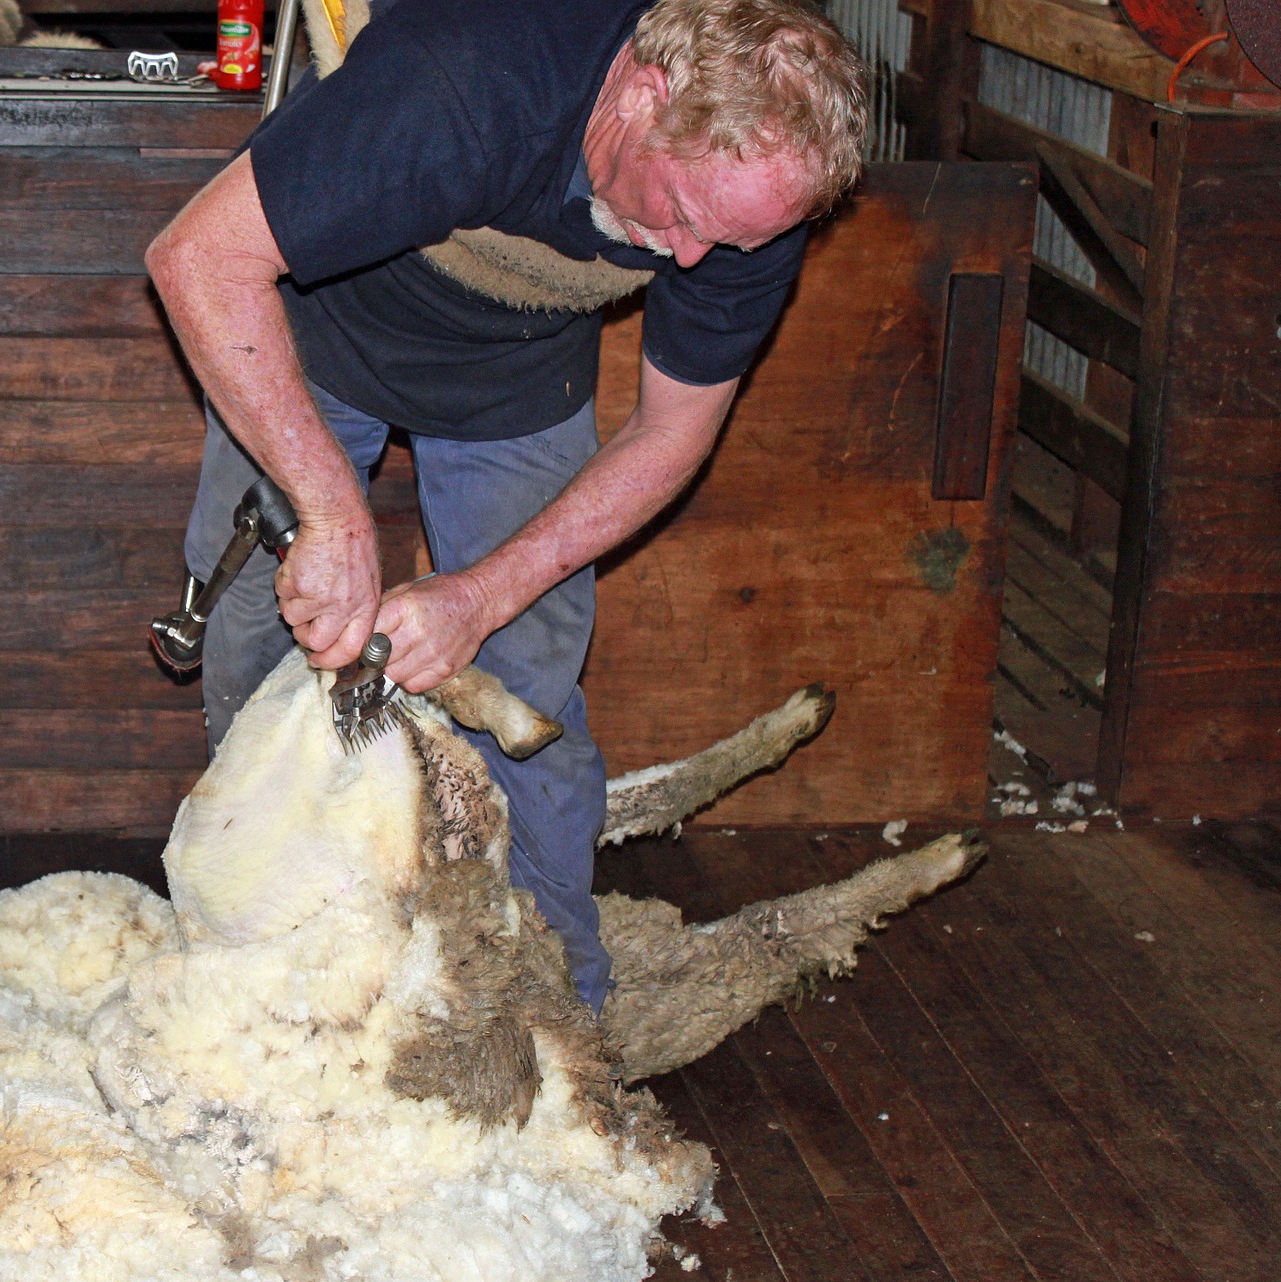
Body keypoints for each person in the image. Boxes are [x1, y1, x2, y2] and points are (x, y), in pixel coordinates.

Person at [145, 0, 869, 1012]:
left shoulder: (746, 203)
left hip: (525, 355)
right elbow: (198, 258)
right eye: (688, 218)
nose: (696, 263)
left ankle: (555, 1013)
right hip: (314, 320)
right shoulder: (467, 77)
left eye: (732, 241)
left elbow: (672, 433)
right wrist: (332, 514)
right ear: (642, 94)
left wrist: (482, 597)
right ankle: (262, 969)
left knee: (527, 682)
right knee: (253, 634)